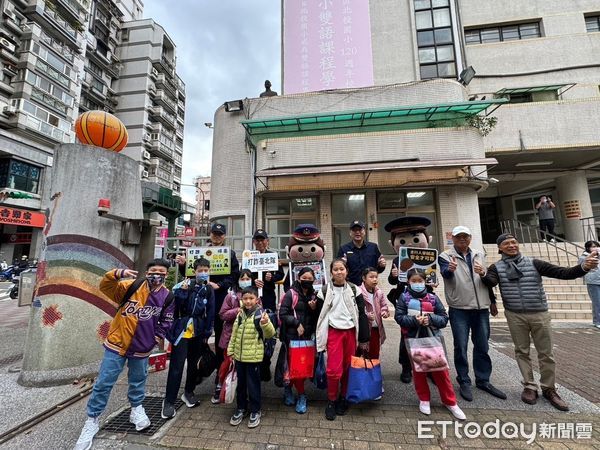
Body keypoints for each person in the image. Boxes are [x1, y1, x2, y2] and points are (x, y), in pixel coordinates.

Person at [482, 233, 599, 411]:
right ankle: (529, 386)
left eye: (514, 242)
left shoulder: (534, 263)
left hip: (539, 313)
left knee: (546, 353)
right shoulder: (496, 267)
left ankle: (549, 388)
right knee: (521, 351)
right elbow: (490, 281)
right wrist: (483, 275)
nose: (512, 245)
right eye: (507, 243)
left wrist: (583, 267)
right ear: (499, 248)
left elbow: (563, 273)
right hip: (514, 315)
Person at [74, 259, 174, 450]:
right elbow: (105, 286)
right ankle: (92, 420)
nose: (157, 275)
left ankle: (136, 409)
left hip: (142, 347)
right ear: (146, 272)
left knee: (138, 380)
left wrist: (155, 337)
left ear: (166, 275)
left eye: (161, 272)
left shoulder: (168, 297)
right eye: (153, 271)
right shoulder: (130, 286)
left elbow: (166, 321)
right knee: (104, 382)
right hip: (116, 344)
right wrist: (117, 273)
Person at [438, 226, 506, 402]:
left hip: (481, 307)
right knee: (460, 346)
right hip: (459, 307)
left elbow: (485, 280)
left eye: (465, 236)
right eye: (458, 236)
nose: (462, 239)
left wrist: (492, 300)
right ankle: (464, 380)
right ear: (452, 238)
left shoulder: (479, 253)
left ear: (470, 238)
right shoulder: (445, 256)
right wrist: (450, 269)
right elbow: (445, 274)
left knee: (482, 345)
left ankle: (483, 380)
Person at [177, 222, 240, 402]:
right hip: (199, 303)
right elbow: (190, 273)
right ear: (210, 234)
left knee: (221, 340)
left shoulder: (230, 254)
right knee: (198, 339)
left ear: (224, 236)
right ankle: (196, 373)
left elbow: (234, 276)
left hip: (220, 300)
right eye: (215, 233)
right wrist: (183, 265)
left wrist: (219, 285)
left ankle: (218, 379)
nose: (217, 236)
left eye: (220, 234)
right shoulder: (199, 251)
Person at [395, 269, 466, 420]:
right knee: (419, 371)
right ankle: (424, 399)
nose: (417, 284)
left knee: (441, 370)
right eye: (414, 281)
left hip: (433, 339)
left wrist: (431, 319)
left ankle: (450, 401)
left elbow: (443, 318)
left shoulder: (432, 298)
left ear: (425, 282)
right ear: (408, 282)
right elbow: (399, 317)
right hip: (414, 338)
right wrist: (415, 321)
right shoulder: (404, 298)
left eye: (420, 281)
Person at [316, 258, 370, 421]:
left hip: (351, 333)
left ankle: (344, 398)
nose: (339, 272)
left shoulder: (355, 290)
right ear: (331, 272)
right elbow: (319, 316)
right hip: (334, 333)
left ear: (346, 271)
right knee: (333, 370)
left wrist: (364, 338)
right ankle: (331, 400)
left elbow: (362, 313)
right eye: (335, 269)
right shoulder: (324, 291)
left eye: (342, 269)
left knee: (348, 368)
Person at [161, 258, 215, 419]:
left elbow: (210, 311)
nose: (203, 273)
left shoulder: (209, 290)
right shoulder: (185, 285)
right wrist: (183, 292)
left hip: (198, 330)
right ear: (194, 271)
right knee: (177, 366)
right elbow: (175, 307)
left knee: (193, 364)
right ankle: (169, 401)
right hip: (182, 330)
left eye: (206, 270)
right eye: (200, 270)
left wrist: (207, 332)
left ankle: (189, 392)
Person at [227, 287, 275, 428]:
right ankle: (241, 408)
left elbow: (270, 333)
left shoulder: (261, 314)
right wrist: (231, 352)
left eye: (251, 298)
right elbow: (234, 334)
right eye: (245, 298)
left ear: (256, 299)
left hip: (253, 358)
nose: (248, 301)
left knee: (253, 385)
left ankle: (255, 410)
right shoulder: (240, 314)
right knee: (240, 385)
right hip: (239, 357)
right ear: (242, 299)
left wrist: (265, 324)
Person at [278, 266, 320, 414]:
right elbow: (282, 314)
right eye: (304, 278)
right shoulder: (291, 293)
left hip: (306, 338)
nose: (307, 281)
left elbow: (317, 318)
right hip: (291, 337)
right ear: (298, 278)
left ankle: (300, 395)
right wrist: (296, 323)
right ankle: (291, 391)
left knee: (300, 369)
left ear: (314, 280)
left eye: (310, 279)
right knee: (291, 367)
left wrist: (314, 309)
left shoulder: (314, 295)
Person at [251, 229, 285, 381]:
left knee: (269, 334)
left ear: (267, 241)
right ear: (254, 242)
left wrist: (272, 277)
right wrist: (253, 281)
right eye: (257, 240)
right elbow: (243, 275)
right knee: (255, 333)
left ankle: (266, 362)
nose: (259, 242)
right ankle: (257, 364)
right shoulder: (249, 257)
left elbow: (280, 275)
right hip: (252, 301)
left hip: (269, 300)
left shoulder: (273, 256)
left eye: (262, 239)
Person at [337, 220, 386, 286]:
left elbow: (378, 270)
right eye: (354, 230)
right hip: (351, 287)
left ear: (364, 232)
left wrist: (381, 265)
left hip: (370, 287)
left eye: (360, 230)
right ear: (350, 233)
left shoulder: (373, 247)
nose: (357, 232)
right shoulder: (344, 249)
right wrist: (342, 265)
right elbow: (339, 271)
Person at [358, 267, 390, 360]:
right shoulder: (358, 292)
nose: (375, 279)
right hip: (363, 329)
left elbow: (384, 305)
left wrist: (384, 312)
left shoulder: (379, 292)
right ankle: (360, 374)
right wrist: (366, 315)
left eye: (376, 277)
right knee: (360, 353)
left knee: (374, 354)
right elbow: (355, 310)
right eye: (371, 277)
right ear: (364, 278)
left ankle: (373, 373)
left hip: (375, 328)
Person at [579, 240, 600, 328]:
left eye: (596, 246)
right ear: (588, 248)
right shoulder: (584, 257)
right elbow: (580, 268)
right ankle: (597, 322)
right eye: (593, 246)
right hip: (592, 282)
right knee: (597, 302)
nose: (595, 248)